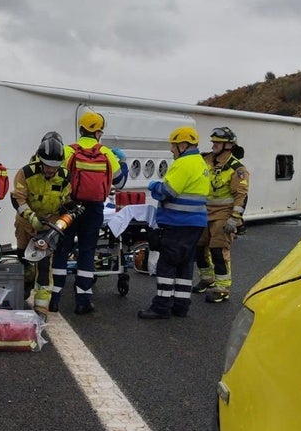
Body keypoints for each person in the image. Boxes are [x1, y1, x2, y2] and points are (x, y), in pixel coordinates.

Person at [50, 111, 123, 314]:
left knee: (62, 249)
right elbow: (120, 182)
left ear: (81, 129)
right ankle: (83, 299)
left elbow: (55, 178)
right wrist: (122, 162)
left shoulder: (68, 151)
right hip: (94, 209)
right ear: (98, 132)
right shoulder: (107, 153)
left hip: (69, 207)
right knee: (87, 251)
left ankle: (55, 298)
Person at [138, 126, 210, 319]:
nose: (171, 150)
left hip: (178, 223)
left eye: (173, 145)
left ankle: (161, 307)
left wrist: (153, 185)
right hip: (195, 223)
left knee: (166, 265)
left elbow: (167, 192)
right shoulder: (201, 163)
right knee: (185, 265)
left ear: (183, 145)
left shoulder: (183, 163)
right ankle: (181, 306)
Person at [11, 135, 71, 316]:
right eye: (48, 166)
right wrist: (31, 217)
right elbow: (18, 199)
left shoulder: (64, 176)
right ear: (40, 161)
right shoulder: (26, 173)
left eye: (55, 167)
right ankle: (24, 290)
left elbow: (67, 199)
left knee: (44, 266)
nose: (51, 171)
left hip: (48, 226)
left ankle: (41, 308)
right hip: (26, 223)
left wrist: (69, 208)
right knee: (25, 260)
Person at [192, 127, 250, 303]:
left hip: (223, 215)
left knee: (218, 250)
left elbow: (241, 195)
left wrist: (234, 219)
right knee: (199, 248)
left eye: (217, 142)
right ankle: (207, 279)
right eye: (213, 142)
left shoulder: (237, 169)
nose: (213, 145)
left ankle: (222, 287)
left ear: (228, 145)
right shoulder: (206, 159)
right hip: (203, 212)